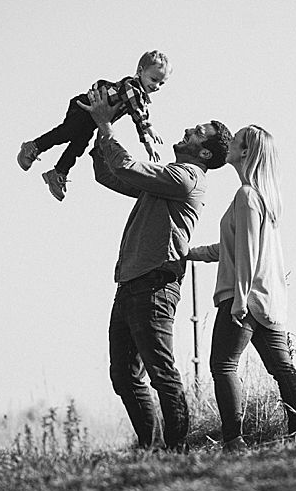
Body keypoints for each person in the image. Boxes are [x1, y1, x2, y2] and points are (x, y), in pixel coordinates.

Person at [78, 83, 232, 453]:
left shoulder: (186, 179)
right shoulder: (166, 180)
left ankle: (178, 451)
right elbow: (113, 175)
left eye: (198, 133)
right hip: (131, 282)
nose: (189, 130)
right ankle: (151, 447)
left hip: (155, 285)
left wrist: (107, 127)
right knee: (124, 376)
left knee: (161, 372)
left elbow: (126, 165)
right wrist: (99, 131)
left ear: (205, 151)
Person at [186, 125, 296, 451]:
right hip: (267, 298)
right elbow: (233, 248)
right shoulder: (260, 198)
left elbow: (248, 254)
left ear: (244, 152)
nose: (229, 143)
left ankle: (234, 440)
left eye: (236, 140)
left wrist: (239, 300)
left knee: (222, 365)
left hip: (244, 297)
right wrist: (189, 253)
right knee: (281, 367)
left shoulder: (247, 196)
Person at [17, 50, 170, 201]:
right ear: (140, 71)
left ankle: (59, 172)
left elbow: (140, 113)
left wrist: (147, 141)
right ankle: (34, 146)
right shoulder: (131, 87)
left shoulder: (140, 97)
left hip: (93, 118)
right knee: (66, 132)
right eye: (154, 79)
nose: (157, 86)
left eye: (161, 83)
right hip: (84, 106)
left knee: (80, 144)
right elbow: (138, 114)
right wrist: (148, 134)